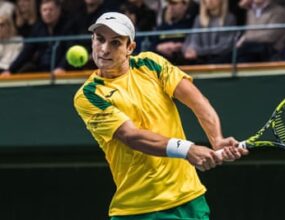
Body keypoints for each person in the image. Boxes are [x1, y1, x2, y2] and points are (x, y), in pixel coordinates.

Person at [74, 12, 248, 219]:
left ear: (130, 48)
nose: (104, 49)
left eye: (115, 43)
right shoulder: (89, 95)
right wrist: (187, 149)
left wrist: (216, 138)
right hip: (140, 210)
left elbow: (197, 101)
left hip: (189, 199)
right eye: (99, 39)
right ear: (92, 40)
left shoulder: (151, 64)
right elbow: (132, 136)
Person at [0, 0, 78, 76]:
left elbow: (71, 49)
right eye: (44, 10)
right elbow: (27, 52)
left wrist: (61, 67)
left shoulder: (68, 25)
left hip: (64, 72)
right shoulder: (38, 28)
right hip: (42, 70)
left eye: (51, 10)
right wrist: (10, 70)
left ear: (58, 10)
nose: (47, 13)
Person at [182, 0, 237, 64]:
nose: (209, 1)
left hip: (220, 60)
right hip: (200, 60)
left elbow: (224, 47)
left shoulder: (229, 19)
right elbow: (193, 43)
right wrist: (190, 51)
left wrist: (199, 52)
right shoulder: (198, 19)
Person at [151, 0, 199, 64]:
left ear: (185, 6)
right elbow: (151, 47)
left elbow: (194, 45)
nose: (170, 7)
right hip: (162, 63)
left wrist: (181, 47)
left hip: (183, 64)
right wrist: (159, 47)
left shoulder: (191, 24)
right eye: (169, 3)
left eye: (174, 4)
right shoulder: (161, 27)